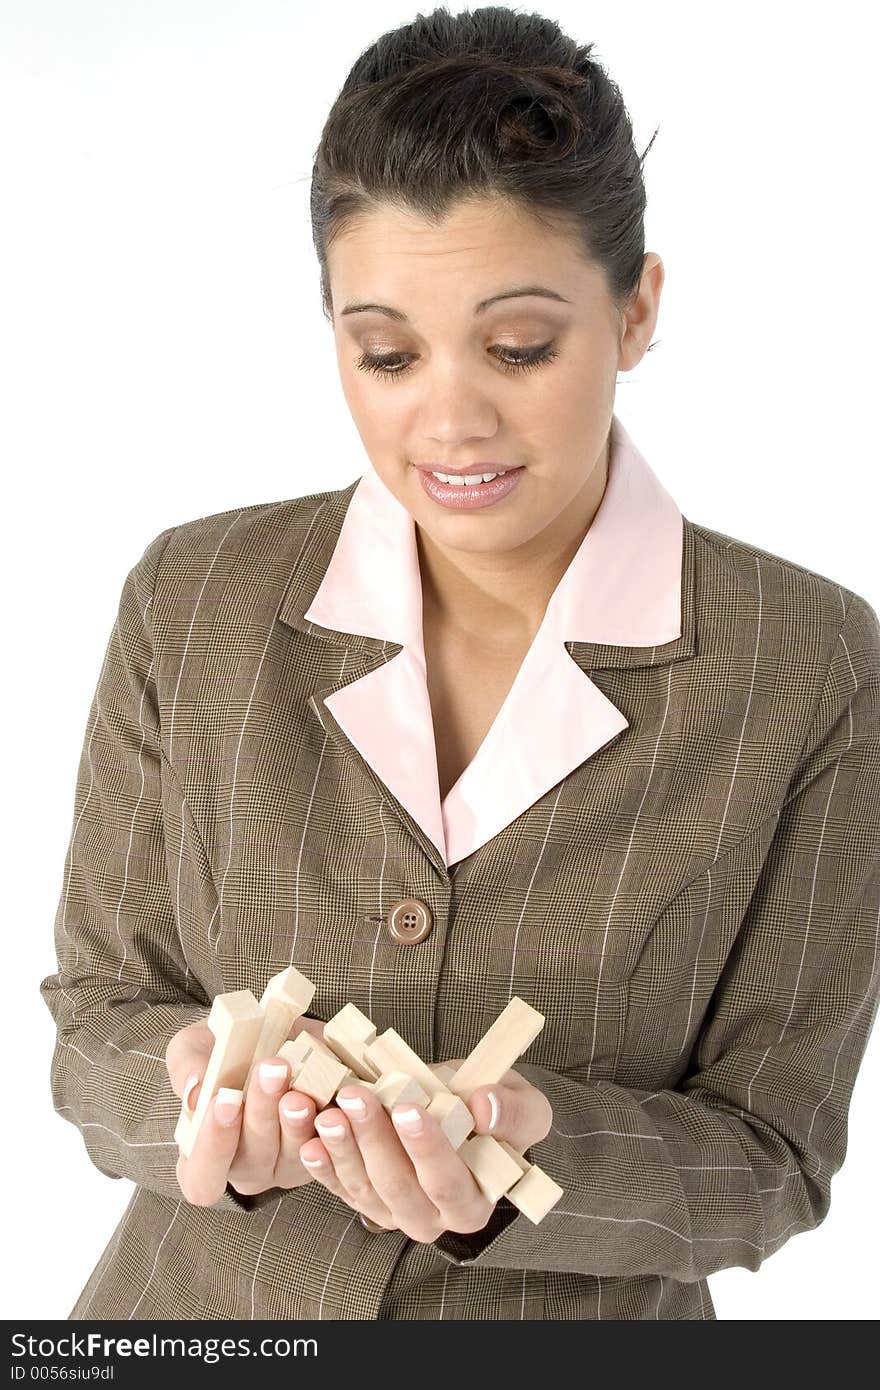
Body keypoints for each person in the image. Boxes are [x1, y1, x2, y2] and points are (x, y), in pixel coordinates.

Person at [39, 5, 880, 1321]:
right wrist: (189, 1083)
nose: (448, 417)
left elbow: (773, 1156)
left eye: (519, 346)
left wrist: (537, 1153)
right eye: (385, 351)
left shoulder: (809, 664)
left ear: (638, 309)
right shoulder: (194, 597)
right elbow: (95, 1013)